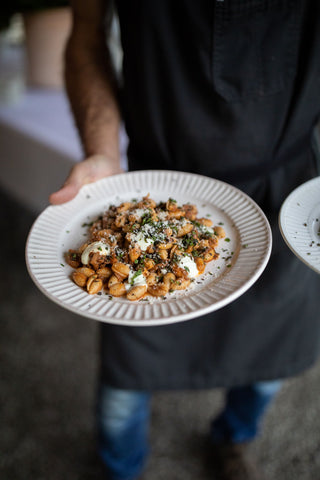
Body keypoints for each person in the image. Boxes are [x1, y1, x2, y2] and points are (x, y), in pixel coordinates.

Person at [50, 1, 320, 479]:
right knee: (123, 386)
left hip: (288, 193)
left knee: (267, 365)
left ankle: (235, 437)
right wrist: (101, 154)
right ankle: (120, 468)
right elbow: (86, 36)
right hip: (150, 191)